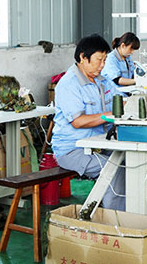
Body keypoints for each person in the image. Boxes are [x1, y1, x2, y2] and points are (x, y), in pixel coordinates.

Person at [51, 35, 126, 211]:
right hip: (72, 150)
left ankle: (142, 216)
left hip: (100, 144)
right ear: (83, 57)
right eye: (99, 60)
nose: (102, 65)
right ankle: (118, 219)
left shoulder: (102, 80)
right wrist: (111, 115)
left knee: (132, 162)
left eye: (105, 60)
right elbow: (78, 121)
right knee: (114, 168)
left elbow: (121, 100)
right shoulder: (69, 84)